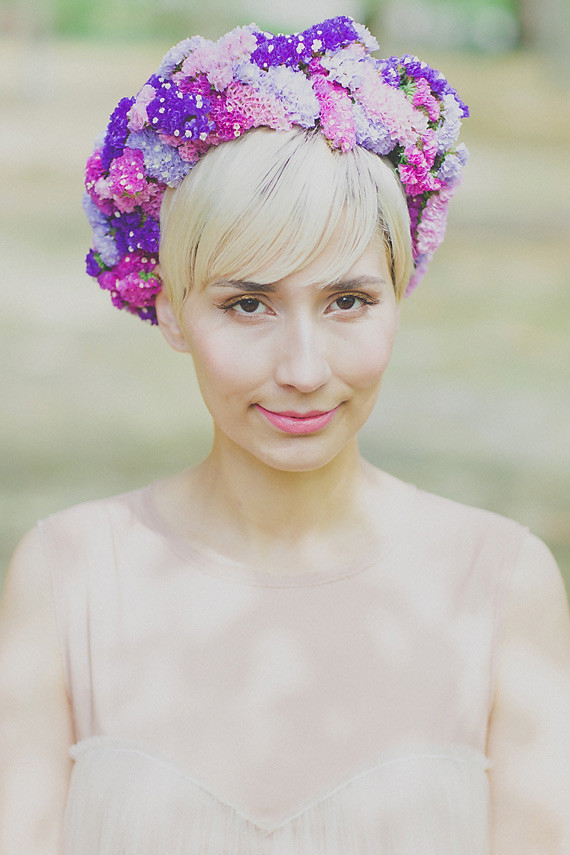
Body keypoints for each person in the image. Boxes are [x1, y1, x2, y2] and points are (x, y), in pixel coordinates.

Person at [1, 16, 569, 855]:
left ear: (400, 296)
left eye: (348, 301)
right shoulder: (69, 577)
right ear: (170, 308)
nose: (303, 368)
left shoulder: (502, 583)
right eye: (248, 304)